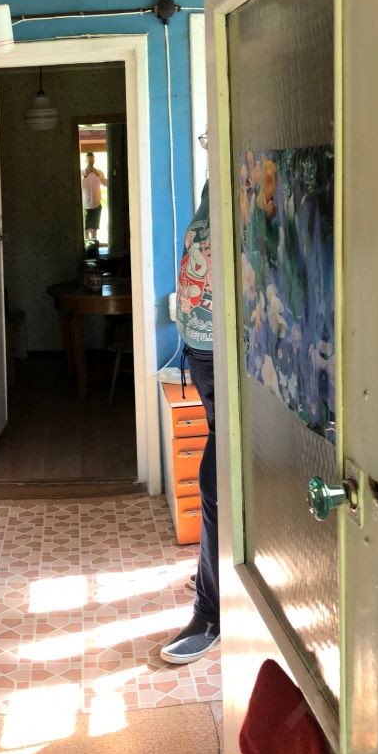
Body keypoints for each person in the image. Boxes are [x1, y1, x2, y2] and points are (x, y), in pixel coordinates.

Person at [160, 135, 219, 665]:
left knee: (214, 483)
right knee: (216, 482)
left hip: (229, 355)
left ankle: (212, 611)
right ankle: (212, 575)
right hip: (200, 351)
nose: (205, 145)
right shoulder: (211, 181)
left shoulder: (252, 175)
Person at [81, 151, 107, 242]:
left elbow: (106, 184)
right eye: (89, 161)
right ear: (85, 161)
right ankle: (87, 246)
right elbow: (78, 186)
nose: (90, 163)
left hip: (97, 205)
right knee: (86, 229)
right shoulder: (81, 173)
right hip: (85, 206)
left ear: (94, 161)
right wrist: (85, 175)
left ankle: (94, 246)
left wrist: (98, 174)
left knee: (95, 230)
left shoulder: (99, 172)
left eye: (92, 161)